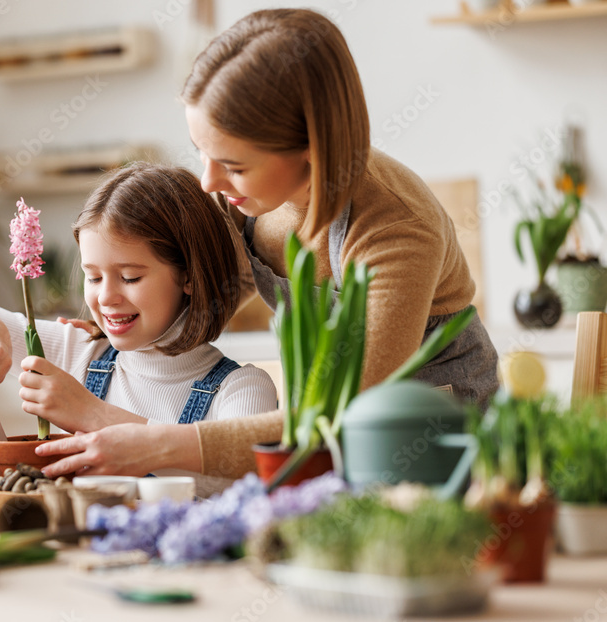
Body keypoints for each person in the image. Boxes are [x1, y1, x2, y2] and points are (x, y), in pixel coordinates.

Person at [35, 8, 499, 481]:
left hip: (428, 446)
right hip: (312, 439)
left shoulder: (395, 228)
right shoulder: (248, 198)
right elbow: (199, 294)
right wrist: (117, 320)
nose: (208, 180)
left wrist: (153, 442)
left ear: (311, 148)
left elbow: (338, 416)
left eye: (233, 165)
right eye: (202, 152)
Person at [0, 163, 277, 485]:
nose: (106, 298)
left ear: (189, 276)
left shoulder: (240, 389)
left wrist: (94, 414)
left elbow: (240, 478)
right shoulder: (77, 351)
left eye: (130, 277)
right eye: (93, 277)